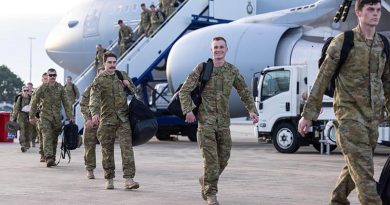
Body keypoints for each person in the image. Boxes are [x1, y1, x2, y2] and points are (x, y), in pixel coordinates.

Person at [298, 0, 389, 204]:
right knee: (365, 175)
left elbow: (388, 83)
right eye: (370, 10)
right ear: (358, 12)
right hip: (349, 119)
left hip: (372, 121)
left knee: (354, 167)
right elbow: (322, 78)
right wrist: (308, 115)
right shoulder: (343, 41)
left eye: (377, 10)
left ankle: (337, 201)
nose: (375, 14)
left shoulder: (382, 44)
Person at [179, 36, 259, 205]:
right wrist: (188, 111)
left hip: (223, 122)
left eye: (221, 47)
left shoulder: (232, 71)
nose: (218, 50)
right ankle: (211, 194)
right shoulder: (202, 68)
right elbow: (184, 91)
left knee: (224, 158)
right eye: (215, 47)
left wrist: (252, 110)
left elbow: (244, 91)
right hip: (205, 122)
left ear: (226, 50)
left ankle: (205, 179)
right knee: (211, 160)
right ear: (211, 50)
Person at [89, 52, 139, 190]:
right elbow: (93, 98)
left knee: (127, 149)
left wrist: (128, 84)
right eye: (109, 62)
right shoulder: (99, 79)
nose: (112, 65)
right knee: (107, 149)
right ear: (104, 64)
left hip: (123, 118)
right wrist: (94, 114)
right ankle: (109, 178)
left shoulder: (121, 75)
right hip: (107, 118)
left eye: (114, 62)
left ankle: (129, 179)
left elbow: (134, 91)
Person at [29, 68, 74, 167]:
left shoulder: (60, 88)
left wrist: (70, 116)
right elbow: (34, 102)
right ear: (47, 76)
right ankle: (48, 157)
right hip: (45, 116)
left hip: (56, 117)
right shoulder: (42, 88)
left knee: (54, 138)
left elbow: (66, 102)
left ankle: (52, 157)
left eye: (54, 75)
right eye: (50, 75)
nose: (52, 77)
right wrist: (31, 116)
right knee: (47, 135)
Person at [80, 68, 104, 179]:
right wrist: (87, 118)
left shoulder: (111, 88)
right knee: (89, 146)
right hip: (91, 122)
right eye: (100, 74)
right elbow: (83, 105)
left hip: (106, 122)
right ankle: (90, 169)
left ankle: (108, 171)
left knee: (107, 148)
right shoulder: (90, 88)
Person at [12, 86, 33, 152]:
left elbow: (34, 107)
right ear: (22, 91)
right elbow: (16, 109)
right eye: (24, 90)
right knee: (22, 130)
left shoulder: (31, 98)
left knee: (28, 131)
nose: (26, 92)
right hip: (21, 115)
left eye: (27, 90)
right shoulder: (20, 98)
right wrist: (13, 118)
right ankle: (23, 145)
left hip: (29, 116)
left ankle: (27, 144)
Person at [33, 72, 49, 162]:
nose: (46, 80)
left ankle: (47, 155)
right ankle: (42, 154)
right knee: (41, 136)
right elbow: (33, 103)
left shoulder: (52, 89)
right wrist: (34, 115)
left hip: (50, 116)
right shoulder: (38, 90)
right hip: (40, 115)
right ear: (42, 79)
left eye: (47, 78)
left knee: (47, 136)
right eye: (45, 78)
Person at [26, 82, 37, 147]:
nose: (29, 88)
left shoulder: (34, 94)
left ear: (32, 87)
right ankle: (27, 142)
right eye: (28, 87)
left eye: (30, 87)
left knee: (34, 128)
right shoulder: (24, 93)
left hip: (33, 113)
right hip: (26, 113)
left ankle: (33, 141)